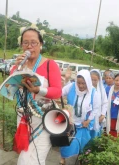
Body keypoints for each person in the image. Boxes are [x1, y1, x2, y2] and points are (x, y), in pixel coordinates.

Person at [11, 27, 62, 165]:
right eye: (25, 42)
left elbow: (57, 91)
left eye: (33, 42)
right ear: (21, 45)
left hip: (44, 118)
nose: (29, 46)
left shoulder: (50, 65)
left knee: (36, 158)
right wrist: (16, 69)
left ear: (41, 44)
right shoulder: (19, 65)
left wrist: (38, 89)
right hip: (23, 117)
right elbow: (10, 87)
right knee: (24, 155)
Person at [59, 70, 100, 165]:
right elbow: (60, 93)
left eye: (83, 83)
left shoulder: (93, 93)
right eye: (79, 83)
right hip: (70, 121)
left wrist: (88, 120)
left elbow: (95, 109)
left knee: (82, 143)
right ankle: (63, 158)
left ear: (88, 82)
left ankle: (81, 158)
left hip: (83, 123)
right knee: (66, 141)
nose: (81, 86)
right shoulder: (72, 86)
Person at [90, 69, 108, 138]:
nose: (93, 82)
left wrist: (103, 115)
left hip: (98, 116)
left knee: (96, 136)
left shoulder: (101, 90)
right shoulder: (85, 89)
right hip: (88, 117)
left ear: (99, 80)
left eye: (95, 80)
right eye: (91, 79)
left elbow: (105, 102)